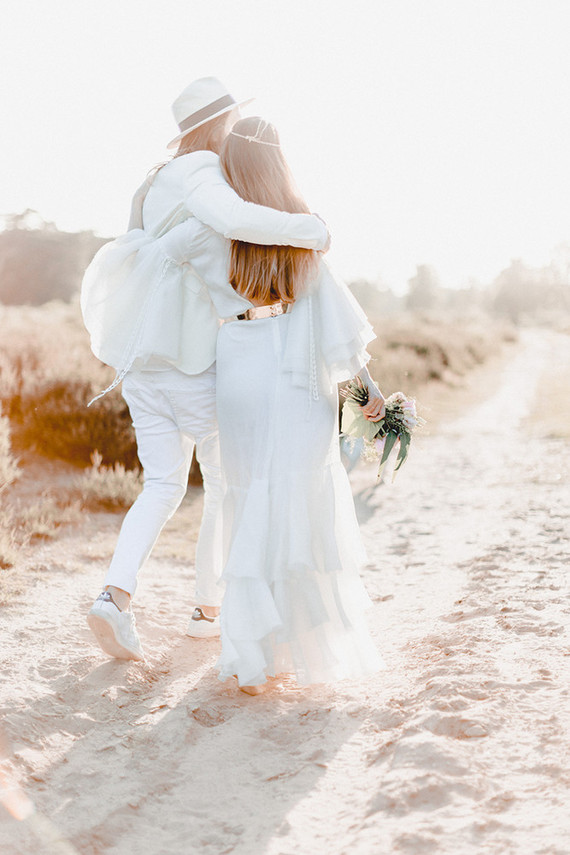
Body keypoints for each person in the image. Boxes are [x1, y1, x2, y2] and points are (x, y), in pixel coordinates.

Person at [81, 79, 330, 662]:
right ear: (219, 125)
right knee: (220, 486)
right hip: (192, 364)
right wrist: (313, 229)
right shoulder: (200, 174)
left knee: (163, 485)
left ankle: (114, 598)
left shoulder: (152, 182)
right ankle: (205, 611)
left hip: (142, 364)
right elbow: (242, 219)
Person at [212, 117, 386, 693]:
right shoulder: (304, 231)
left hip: (237, 370)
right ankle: (300, 648)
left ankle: (252, 656)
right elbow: (335, 322)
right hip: (294, 383)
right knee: (298, 501)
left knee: (247, 501)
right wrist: (369, 394)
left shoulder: (217, 224)